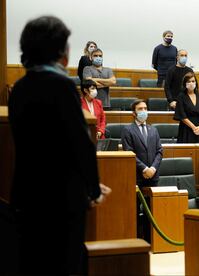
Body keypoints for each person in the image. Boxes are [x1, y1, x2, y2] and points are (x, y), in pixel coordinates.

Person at [8, 16, 111, 275]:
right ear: (61, 53)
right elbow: (80, 144)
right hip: (62, 201)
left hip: (27, 196)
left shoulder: (18, 89)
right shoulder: (63, 86)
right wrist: (92, 188)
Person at [121, 100, 163, 187]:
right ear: (133, 113)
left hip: (153, 176)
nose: (143, 111)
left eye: (145, 108)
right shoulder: (127, 130)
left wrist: (152, 169)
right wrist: (145, 169)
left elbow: (159, 151)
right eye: (140, 109)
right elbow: (129, 153)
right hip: (137, 176)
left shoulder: (153, 129)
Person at [174, 72, 199, 143]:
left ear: (196, 83)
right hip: (186, 129)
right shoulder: (181, 96)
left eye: (193, 81)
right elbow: (182, 116)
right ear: (185, 83)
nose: (191, 83)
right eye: (188, 81)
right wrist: (194, 127)